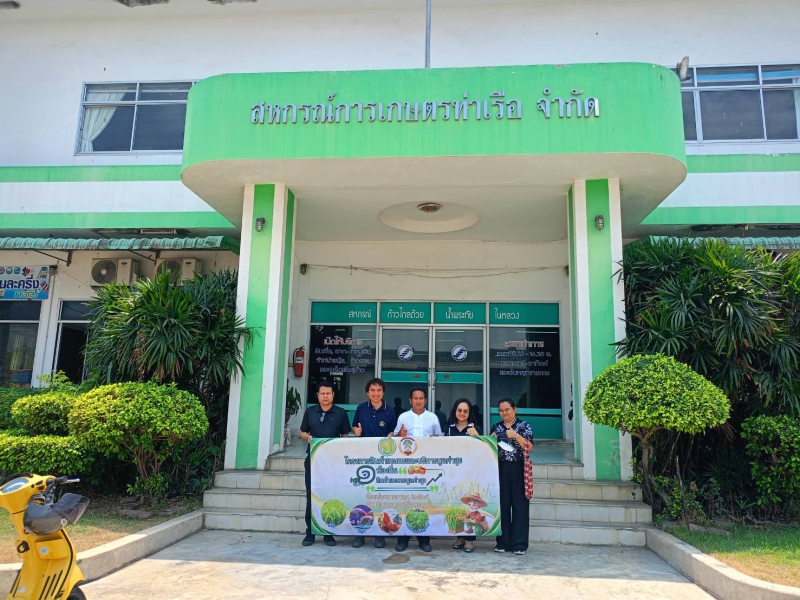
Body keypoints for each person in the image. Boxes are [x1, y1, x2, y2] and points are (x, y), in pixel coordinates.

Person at [299, 381, 351, 547]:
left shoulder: (341, 413)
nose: (325, 396)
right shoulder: (310, 412)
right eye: (322, 394)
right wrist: (307, 437)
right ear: (318, 395)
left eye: (328, 393)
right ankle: (310, 532)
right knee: (312, 494)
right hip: (314, 460)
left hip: (333, 462)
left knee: (331, 495)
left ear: (333, 395)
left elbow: (345, 435)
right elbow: (302, 431)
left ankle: (329, 531)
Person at [393, 387, 441, 552]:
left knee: (423, 501)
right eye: (415, 398)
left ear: (425, 400)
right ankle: (403, 539)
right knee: (406, 500)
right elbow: (395, 440)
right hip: (406, 466)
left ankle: (424, 539)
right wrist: (400, 434)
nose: (418, 401)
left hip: (425, 467)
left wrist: (435, 440)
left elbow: (440, 439)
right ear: (410, 400)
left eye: (421, 398)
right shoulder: (403, 417)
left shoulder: (432, 418)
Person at [351, 377, 397, 549]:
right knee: (362, 496)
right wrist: (356, 431)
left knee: (379, 497)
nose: (375, 394)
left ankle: (379, 534)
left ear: (383, 392)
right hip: (363, 459)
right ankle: (360, 533)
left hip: (382, 461)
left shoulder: (389, 410)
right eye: (372, 390)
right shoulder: (361, 408)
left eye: (379, 390)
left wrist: (391, 435)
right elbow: (354, 427)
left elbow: (393, 431)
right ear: (367, 392)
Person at [490, 398, 533, 556]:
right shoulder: (496, 427)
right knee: (503, 505)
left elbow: (530, 446)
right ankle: (502, 542)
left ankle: (519, 544)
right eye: (501, 411)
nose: (504, 413)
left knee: (520, 506)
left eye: (507, 409)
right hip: (501, 469)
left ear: (514, 409)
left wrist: (515, 435)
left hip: (519, 468)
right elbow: (490, 447)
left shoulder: (524, 426)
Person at [444, 398, 482, 553]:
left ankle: (469, 540)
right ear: (455, 411)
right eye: (459, 410)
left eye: (465, 411)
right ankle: (459, 537)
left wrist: (477, 436)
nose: (462, 413)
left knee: (470, 507)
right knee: (456, 506)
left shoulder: (475, 428)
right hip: (453, 474)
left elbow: (483, 450)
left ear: (469, 413)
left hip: (470, 473)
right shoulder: (448, 429)